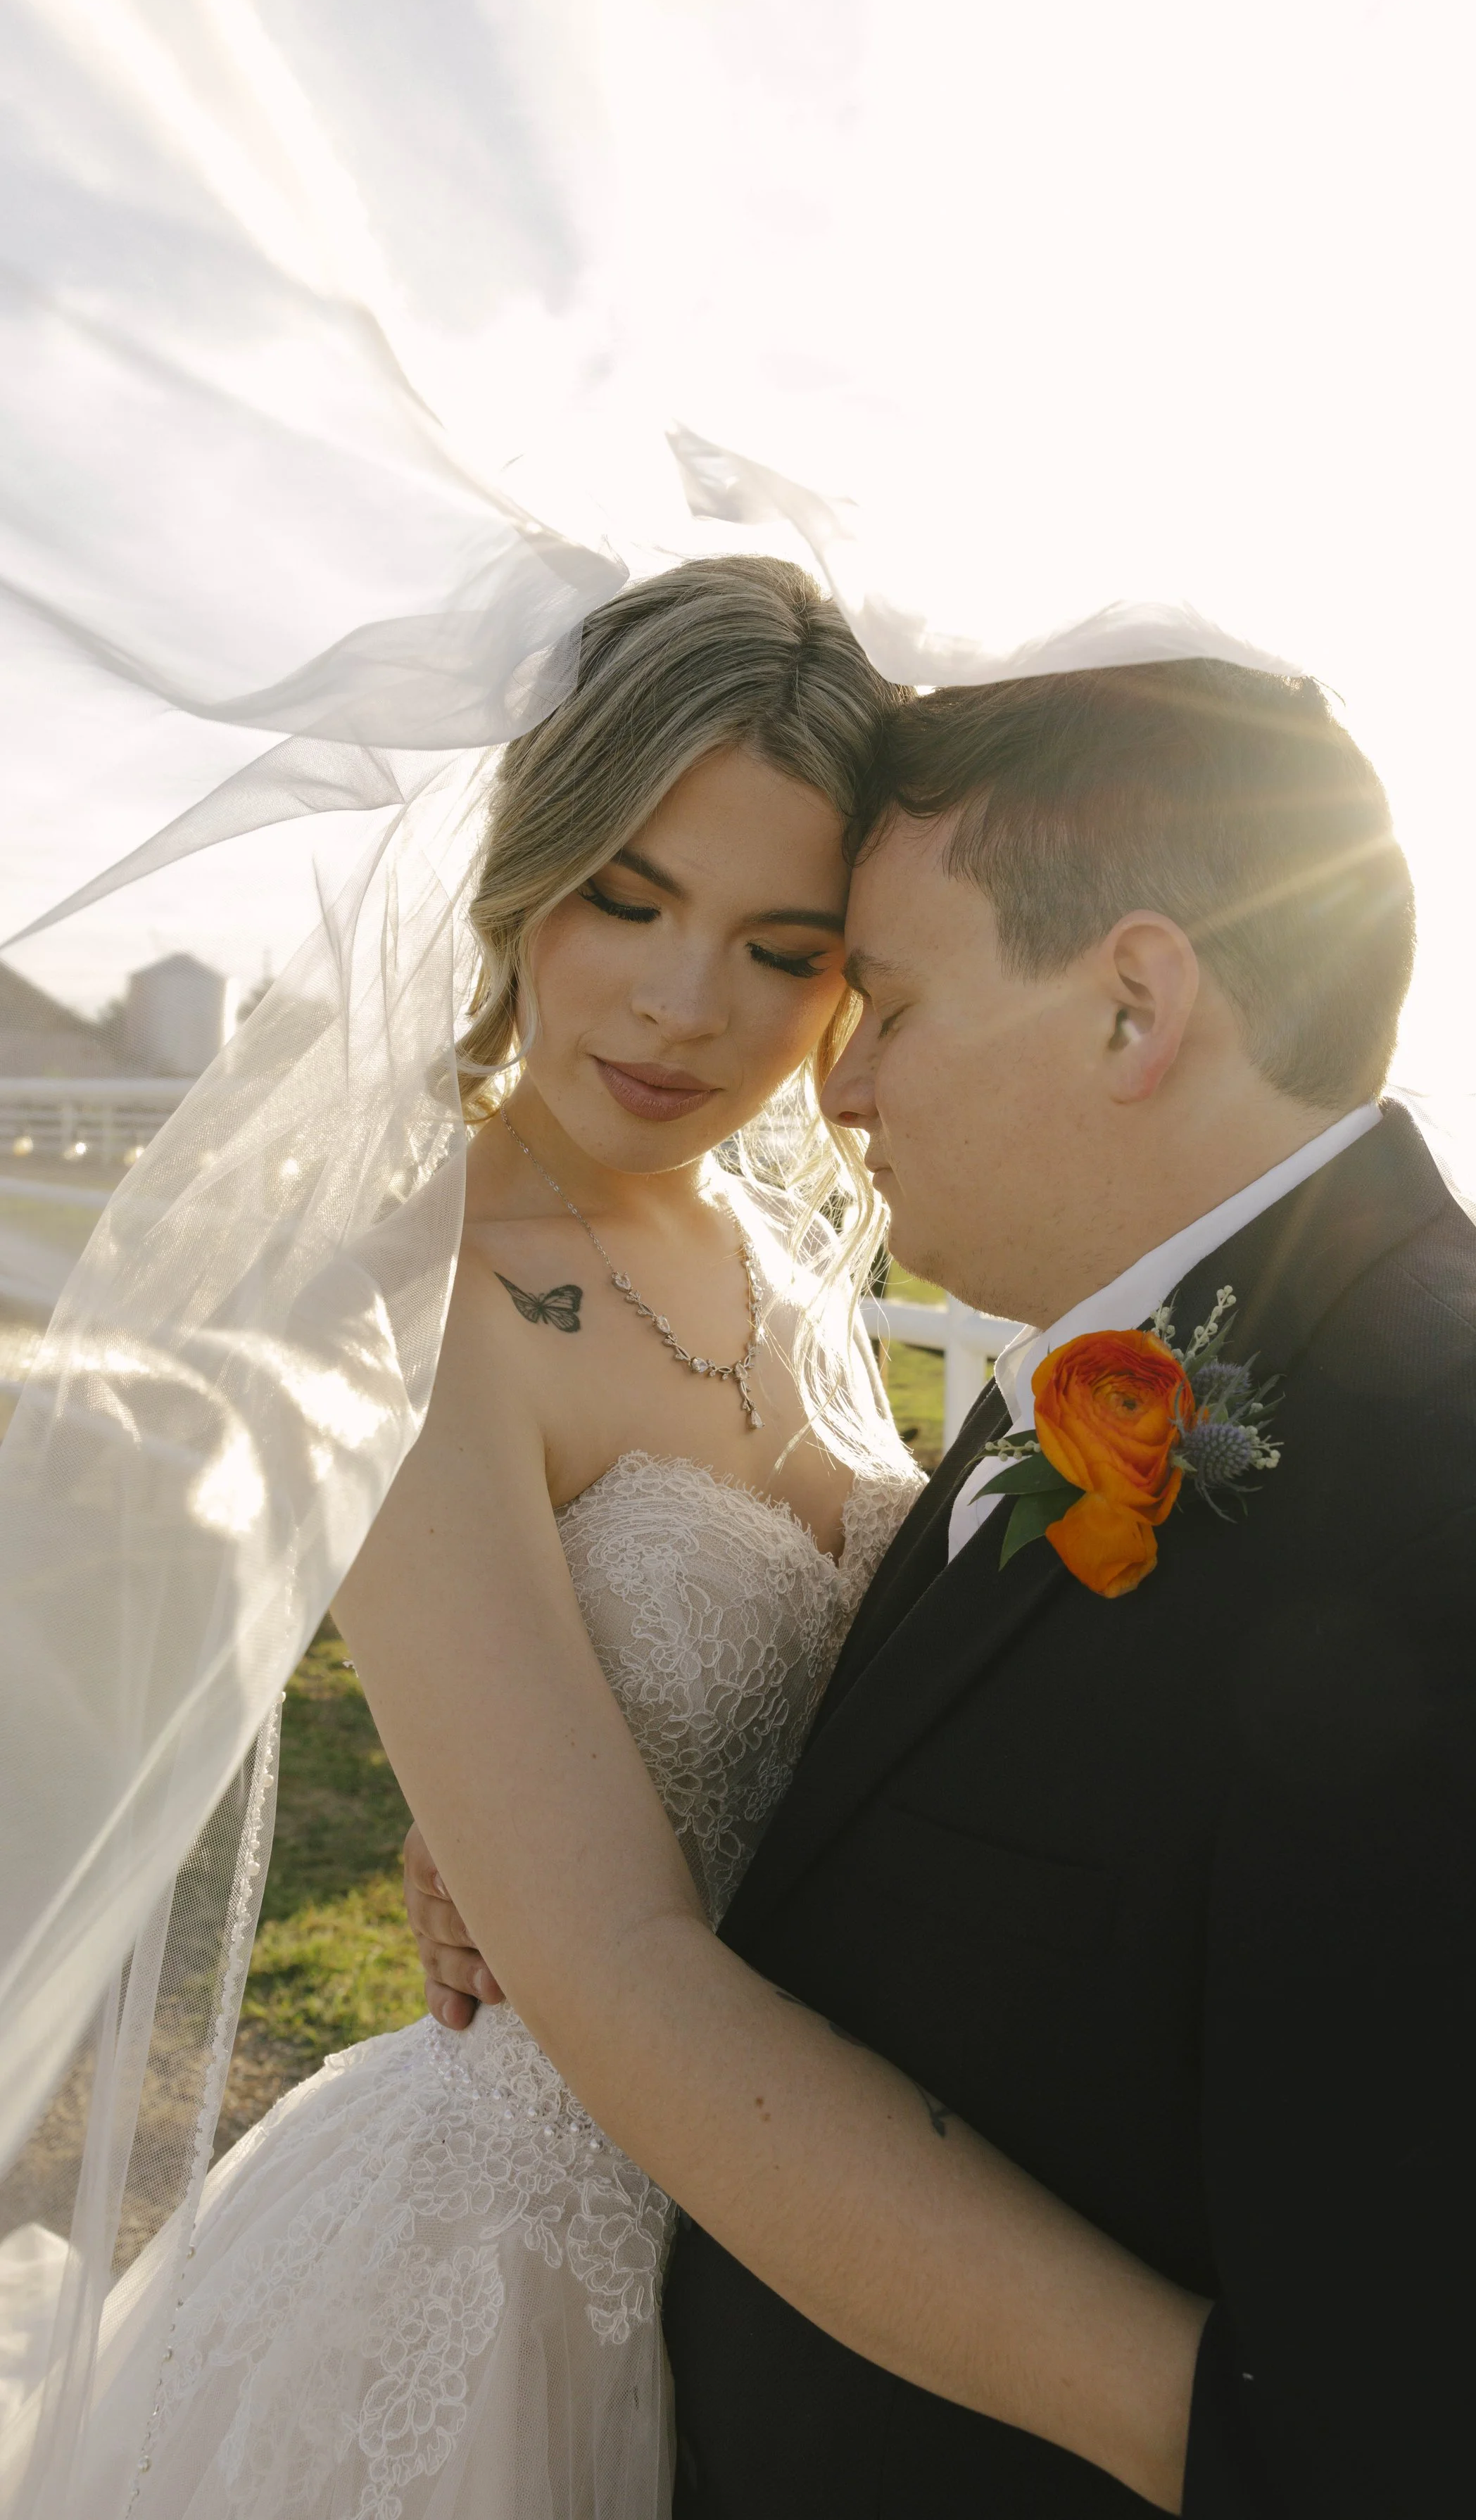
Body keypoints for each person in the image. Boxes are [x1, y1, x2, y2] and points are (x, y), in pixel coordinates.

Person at [393, 657, 1476, 2517]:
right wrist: (542, 1784)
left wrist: (1206, 2433)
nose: (838, 1077)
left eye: (870, 985)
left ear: (1132, 1003)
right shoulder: (1127, 1337)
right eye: (626, 898)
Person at [30, 554, 927, 2520]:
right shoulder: (413, 1296)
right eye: (629, 895)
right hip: (527, 2278)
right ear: (527, 865)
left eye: (783, 948)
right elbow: (606, 1933)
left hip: (807, 2235)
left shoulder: (779, 1248)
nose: (687, 1006)